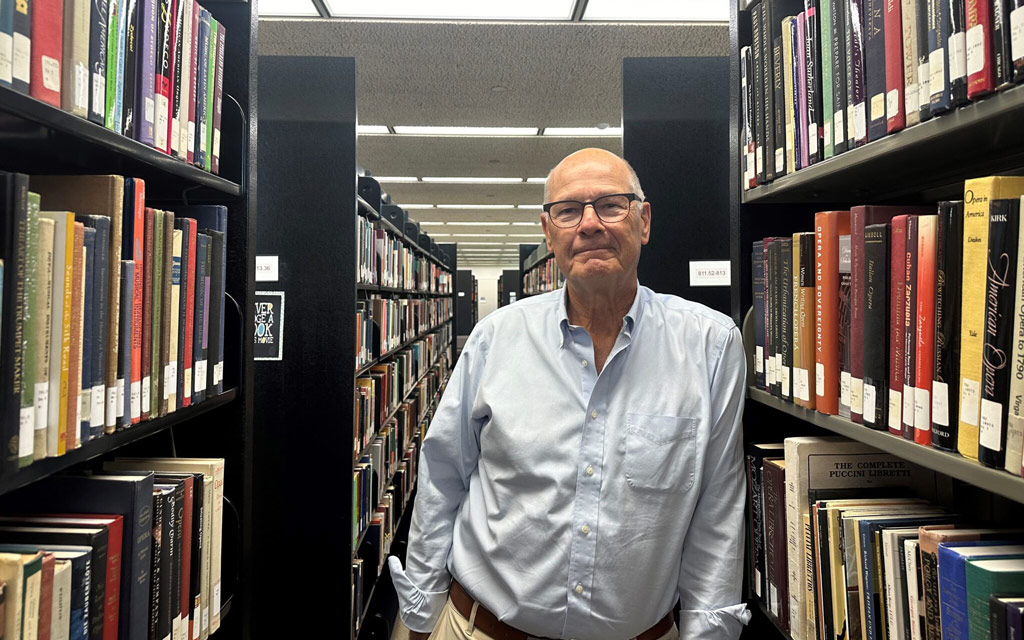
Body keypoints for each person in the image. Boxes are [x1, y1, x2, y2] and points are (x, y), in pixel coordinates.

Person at [389, 148, 750, 640]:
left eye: (610, 205)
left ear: (644, 221)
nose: (589, 224)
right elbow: (443, 475)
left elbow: (717, 510)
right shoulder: (496, 339)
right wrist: (421, 615)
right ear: (547, 232)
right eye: (568, 211)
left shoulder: (710, 346)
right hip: (480, 629)